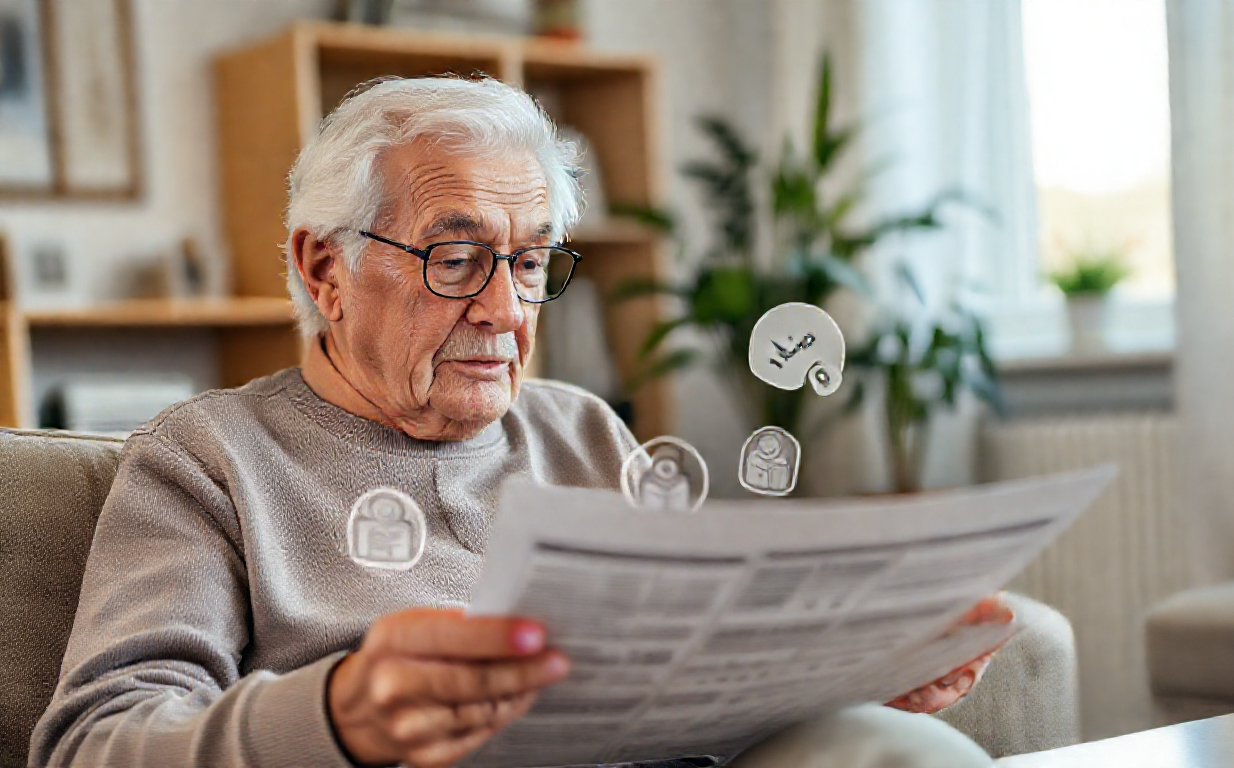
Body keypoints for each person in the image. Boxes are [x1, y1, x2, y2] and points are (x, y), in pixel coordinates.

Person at [30, 76, 1004, 768]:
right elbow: (96, 744)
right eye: (456, 260)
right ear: (327, 270)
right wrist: (339, 717)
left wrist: (848, 676)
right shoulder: (208, 461)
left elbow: (696, 697)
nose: (507, 310)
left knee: (899, 747)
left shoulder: (581, 431)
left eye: (531, 262)